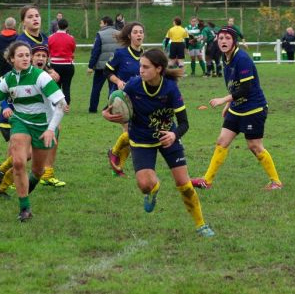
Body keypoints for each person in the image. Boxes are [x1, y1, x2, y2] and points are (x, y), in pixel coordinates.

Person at [102, 48, 215, 237]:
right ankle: (153, 190)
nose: (141, 71)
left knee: (185, 186)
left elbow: (185, 123)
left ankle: (201, 224)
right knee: (145, 185)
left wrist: (174, 135)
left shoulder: (170, 89)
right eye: (140, 66)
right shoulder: (133, 86)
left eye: (146, 67)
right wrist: (106, 113)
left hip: (167, 139)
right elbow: (111, 106)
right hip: (141, 139)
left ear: (159, 69)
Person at [0, 41, 66, 221]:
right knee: (19, 163)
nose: (25, 58)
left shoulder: (41, 77)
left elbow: (60, 104)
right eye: (21, 55)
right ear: (12, 59)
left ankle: (28, 186)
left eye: (27, 55)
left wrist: (51, 129)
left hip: (43, 126)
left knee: (37, 171)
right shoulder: (7, 79)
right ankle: (24, 209)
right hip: (20, 122)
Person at [191, 27, 282, 191]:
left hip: (253, 108)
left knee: (255, 146)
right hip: (237, 107)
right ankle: (207, 180)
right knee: (222, 141)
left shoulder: (242, 58)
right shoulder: (226, 58)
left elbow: (245, 88)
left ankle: (276, 182)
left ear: (234, 41)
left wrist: (222, 100)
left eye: (227, 38)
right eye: (220, 38)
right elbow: (234, 86)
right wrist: (229, 104)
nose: (223, 41)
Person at [105, 22, 145, 177]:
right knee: (129, 132)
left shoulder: (145, 55)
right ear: (129, 36)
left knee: (131, 136)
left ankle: (116, 160)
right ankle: (116, 158)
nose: (139, 35)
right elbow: (107, 71)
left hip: (140, 100)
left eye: (141, 32)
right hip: (122, 100)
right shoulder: (121, 54)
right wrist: (118, 81)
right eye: (135, 32)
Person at [88, 16, 119, 113]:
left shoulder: (100, 34)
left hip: (101, 67)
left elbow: (95, 51)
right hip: (114, 66)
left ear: (105, 23)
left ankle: (93, 109)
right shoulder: (119, 34)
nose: (100, 25)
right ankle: (112, 108)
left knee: (96, 88)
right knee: (113, 88)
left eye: (101, 23)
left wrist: (90, 66)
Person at [48, 18, 76, 105]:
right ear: (67, 27)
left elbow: (49, 50)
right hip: (68, 65)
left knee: (55, 87)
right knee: (66, 87)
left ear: (57, 26)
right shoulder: (71, 38)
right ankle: (66, 105)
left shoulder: (51, 37)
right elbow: (73, 50)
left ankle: (55, 104)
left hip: (55, 65)